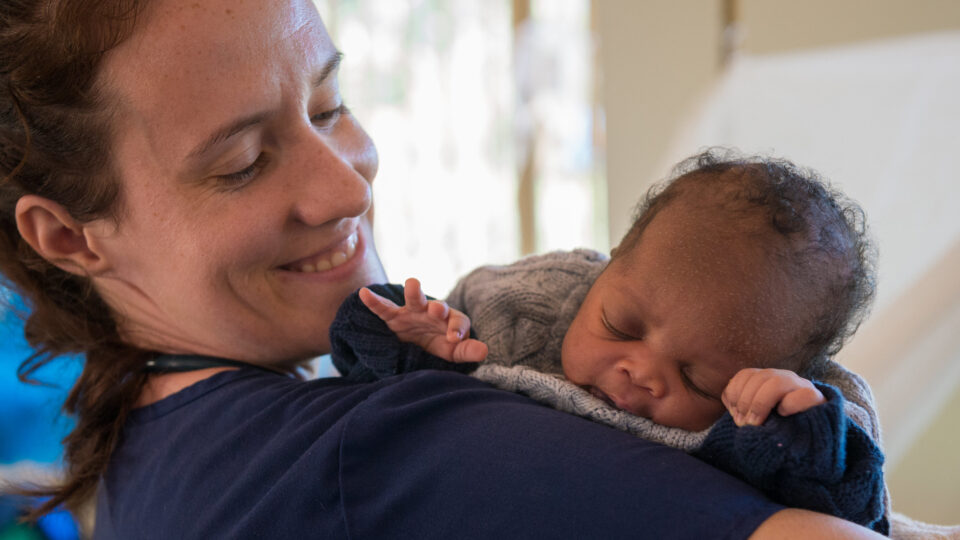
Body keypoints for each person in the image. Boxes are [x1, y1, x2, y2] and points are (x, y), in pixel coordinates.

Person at [0, 0, 887, 538]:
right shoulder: (390, 449)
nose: (345, 183)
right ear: (73, 238)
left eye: (328, 105)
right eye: (241, 163)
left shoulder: (141, 440)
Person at [330, 151, 887, 532]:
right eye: (621, 326)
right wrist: (413, 346)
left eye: (697, 379)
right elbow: (376, 399)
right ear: (609, 265)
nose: (640, 371)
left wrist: (801, 432)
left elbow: (850, 518)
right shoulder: (526, 311)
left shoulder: (776, 420)